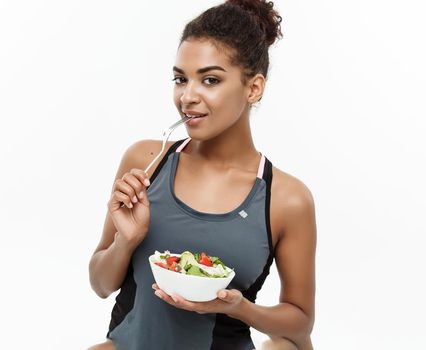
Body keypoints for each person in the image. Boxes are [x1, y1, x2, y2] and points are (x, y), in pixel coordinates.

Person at [87, 1, 315, 349]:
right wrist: (126, 240)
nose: (187, 97)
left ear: (253, 88)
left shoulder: (286, 198)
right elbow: (101, 285)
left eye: (210, 80)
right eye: (181, 79)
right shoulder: (147, 161)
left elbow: (299, 324)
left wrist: (242, 308)